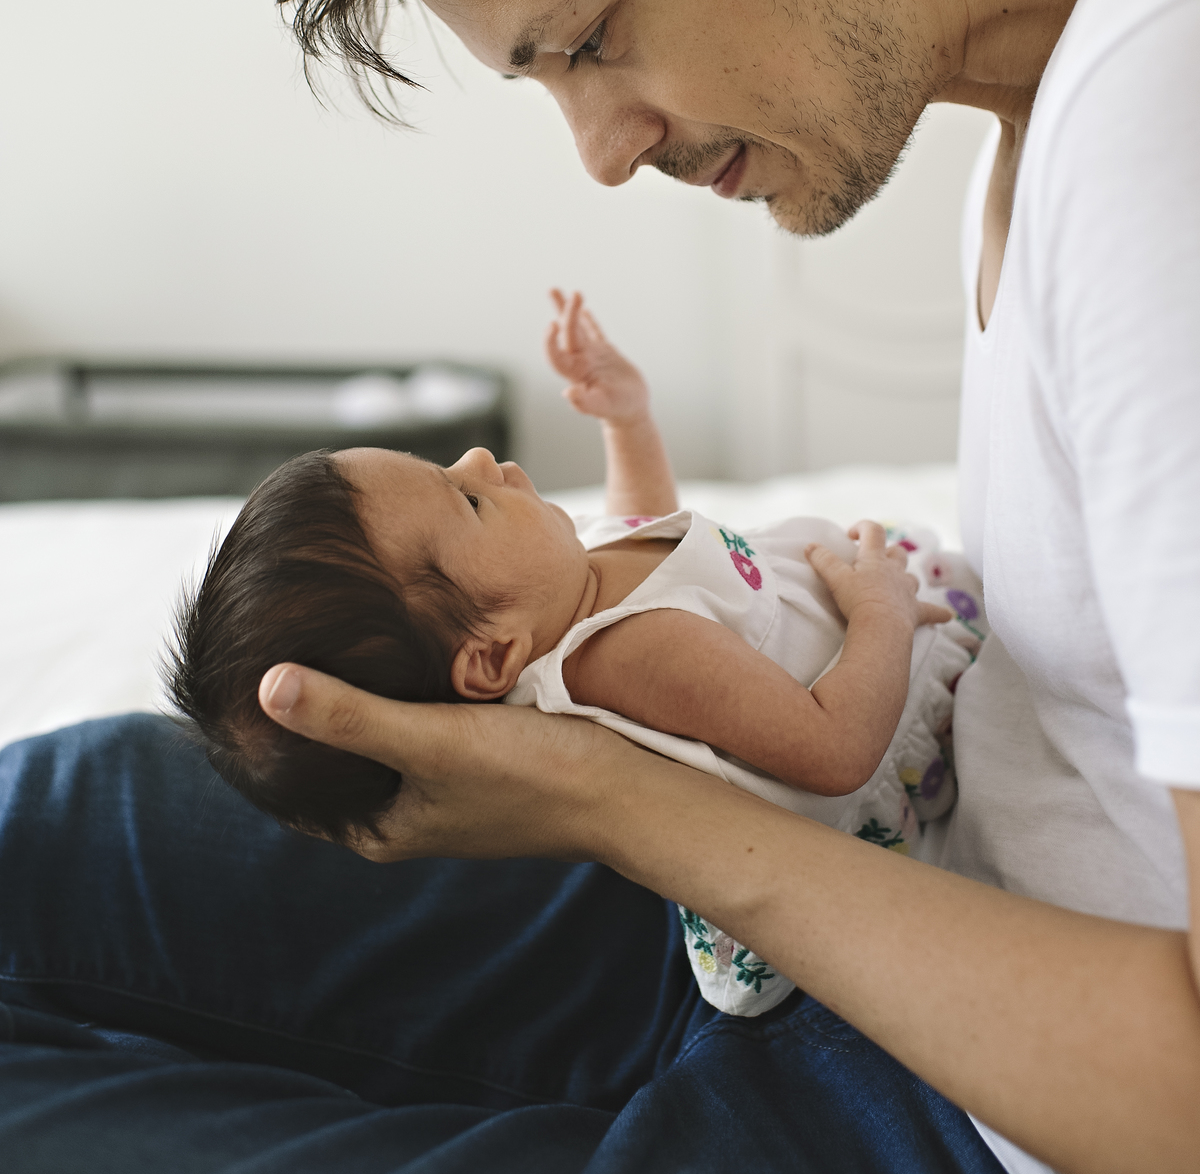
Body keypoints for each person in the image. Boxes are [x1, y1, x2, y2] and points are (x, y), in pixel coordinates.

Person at [3, 0, 1198, 1174]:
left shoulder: (1171, 132)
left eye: (592, 40)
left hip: (984, 1162)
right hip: (843, 909)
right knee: (60, 825)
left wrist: (610, 797)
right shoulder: (1073, 72)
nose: (603, 150)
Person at [165, 288, 970, 1014]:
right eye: (470, 501)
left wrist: (626, 422)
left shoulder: (572, 606)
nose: (479, 458)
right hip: (879, 720)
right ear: (490, 658)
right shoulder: (634, 653)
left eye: (446, 468)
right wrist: (881, 615)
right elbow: (835, 749)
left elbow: (637, 536)